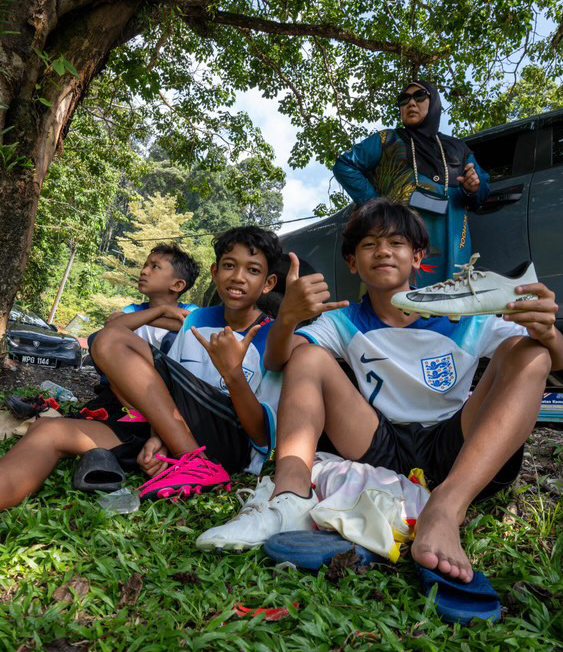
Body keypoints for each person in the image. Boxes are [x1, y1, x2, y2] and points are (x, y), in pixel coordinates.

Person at [196, 199, 562, 584]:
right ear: (352, 263)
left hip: (455, 450)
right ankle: (289, 497)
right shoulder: (343, 320)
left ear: (418, 257)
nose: (383, 251)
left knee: (532, 352)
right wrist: (287, 317)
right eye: (369, 244)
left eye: (396, 243)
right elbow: (277, 360)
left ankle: (446, 509)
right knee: (308, 356)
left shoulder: (467, 313)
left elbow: (555, 361)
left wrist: (548, 331)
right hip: (379, 446)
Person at [0, 226, 282, 509]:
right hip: (177, 435)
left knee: (111, 339)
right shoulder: (197, 322)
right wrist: (159, 438)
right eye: (229, 265)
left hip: (228, 445)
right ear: (215, 272)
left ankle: (195, 462)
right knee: (47, 431)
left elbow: (261, 437)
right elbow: (167, 395)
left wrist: (233, 375)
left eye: (252, 270)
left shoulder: (273, 337)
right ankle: (187, 457)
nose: (238, 276)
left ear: (268, 283)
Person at [333, 80, 489, 285]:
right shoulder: (388, 140)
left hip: (451, 233)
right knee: (401, 294)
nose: (411, 103)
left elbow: (482, 191)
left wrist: (474, 187)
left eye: (419, 96)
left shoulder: (457, 148)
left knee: (452, 292)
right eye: (404, 99)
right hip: (401, 232)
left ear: (434, 103)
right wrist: (376, 205)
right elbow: (345, 165)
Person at [87, 244, 200, 386]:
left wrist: (141, 319)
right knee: (97, 337)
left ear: (177, 285)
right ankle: (113, 389)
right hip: (131, 376)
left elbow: (189, 326)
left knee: (173, 337)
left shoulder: (190, 309)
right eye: (145, 265)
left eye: (155, 267)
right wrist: (162, 310)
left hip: (170, 382)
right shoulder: (133, 309)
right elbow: (111, 325)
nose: (144, 271)